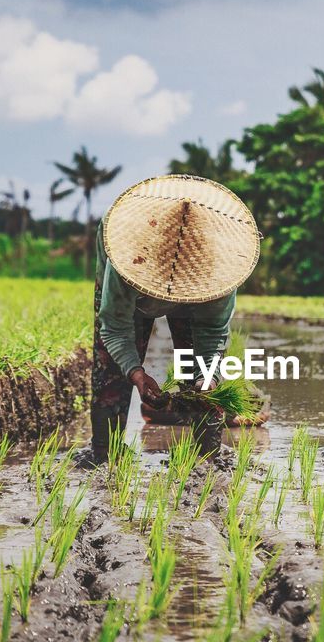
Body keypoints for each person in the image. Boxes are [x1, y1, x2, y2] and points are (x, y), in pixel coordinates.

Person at [82, 174, 260, 465]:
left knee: (203, 378)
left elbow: (213, 333)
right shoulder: (124, 250)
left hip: (198, 297)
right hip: (133, 294)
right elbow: (114, 326)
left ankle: (207, 456)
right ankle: (104, 453)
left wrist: (208, 377)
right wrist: (136, 373)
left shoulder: (219, 268)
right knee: (112, 370)